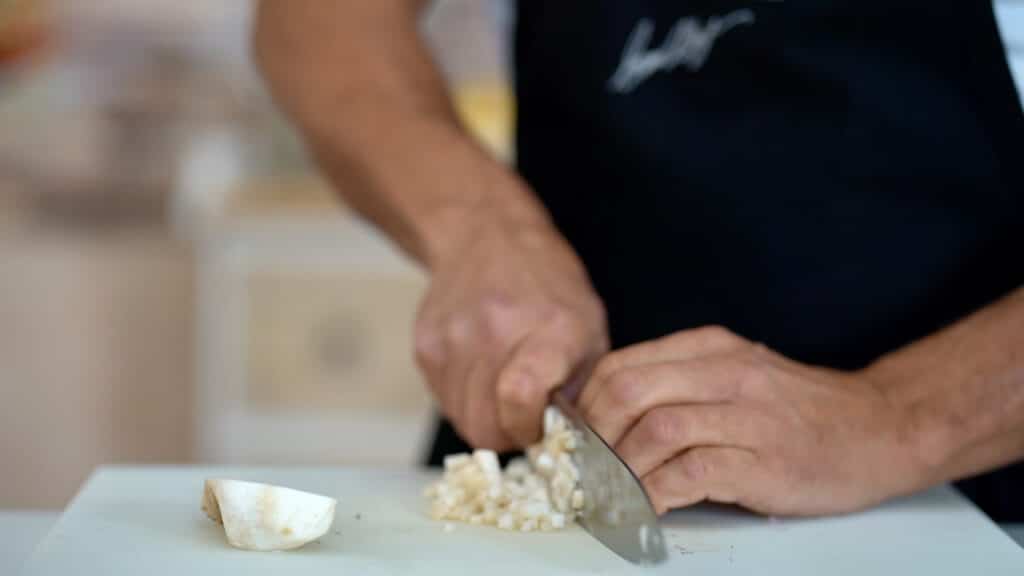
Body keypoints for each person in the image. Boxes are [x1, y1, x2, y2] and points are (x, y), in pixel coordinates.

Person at [254, 1, 1024, 521]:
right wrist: (480, 231)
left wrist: (897, 417)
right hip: (560, 470)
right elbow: (318, 23)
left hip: (965, 495)